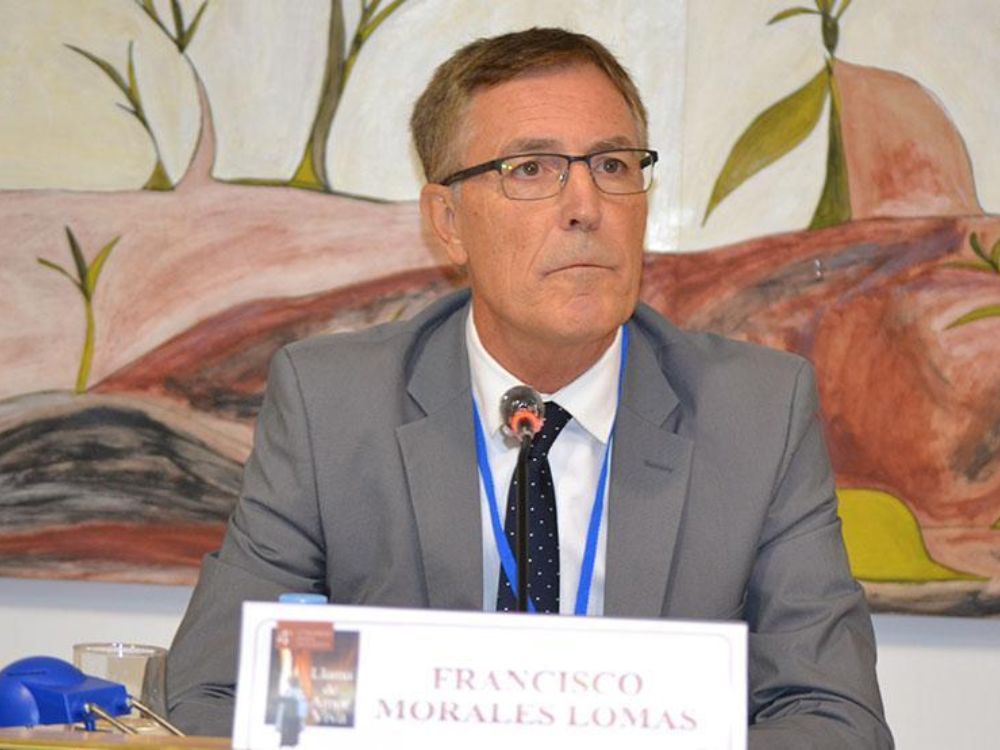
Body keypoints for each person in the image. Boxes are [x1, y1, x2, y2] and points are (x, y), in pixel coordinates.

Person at [166, 27, 893, 748]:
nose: (585, 206)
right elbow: (214, 693)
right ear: (447, 222)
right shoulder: (334, 404)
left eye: (612, 164)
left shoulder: (757, 414)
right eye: (531, 169)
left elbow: (835, 721)